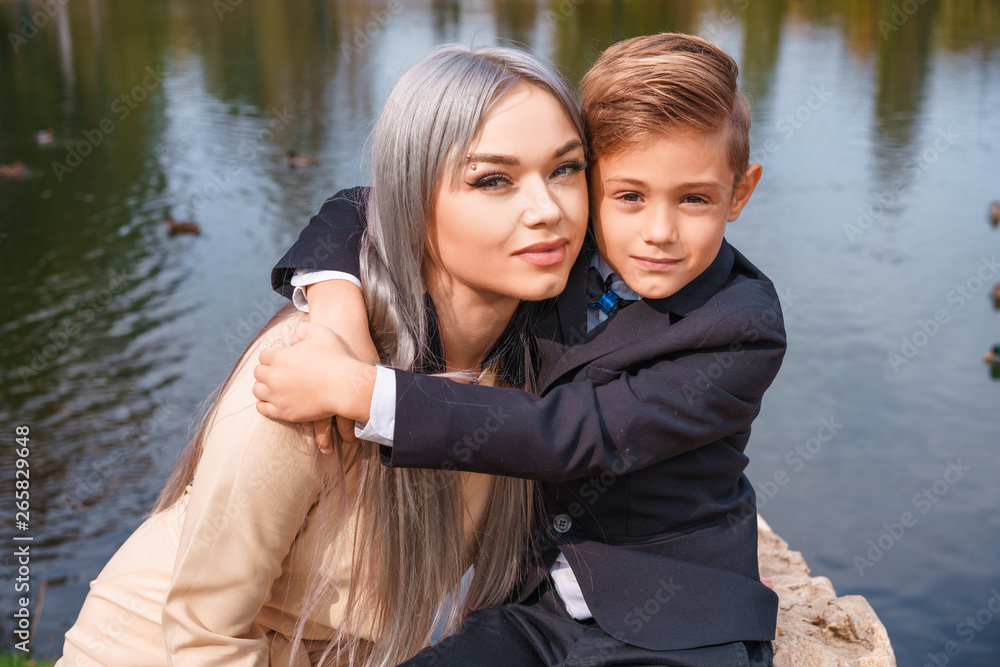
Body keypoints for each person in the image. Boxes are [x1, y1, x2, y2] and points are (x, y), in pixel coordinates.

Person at [256, 32, 784, 667]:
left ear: (741, 192)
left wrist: (362, 390)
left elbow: (574, 434)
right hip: (530, 606)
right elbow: (361, 208)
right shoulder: (554, 252)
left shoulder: (740, 327)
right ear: (586, 182)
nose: (659, 232)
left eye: (694, 198)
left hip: (676, 616)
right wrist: (338, 320)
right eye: (629, 196)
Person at [56, 43, 589, 667]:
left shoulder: (545, 360)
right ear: (413, 203)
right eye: (493, 179)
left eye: (566, 169)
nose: (547, 210)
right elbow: (204, 635)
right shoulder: (300, 375)